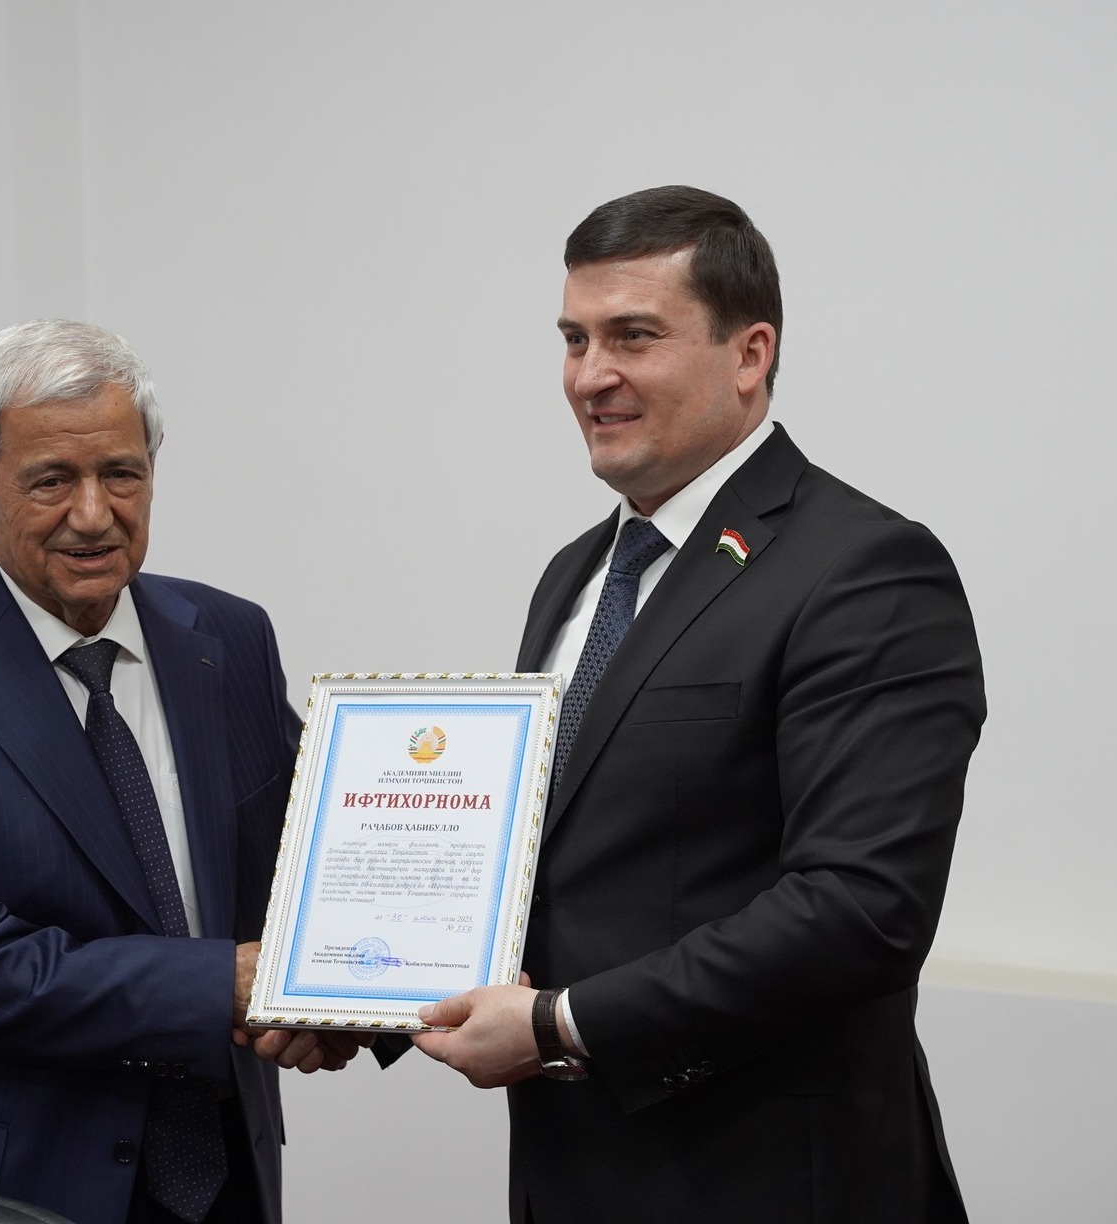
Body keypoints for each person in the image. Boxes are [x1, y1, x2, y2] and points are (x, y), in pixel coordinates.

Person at [412, 187, 985, 1223]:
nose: (591, 375)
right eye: (575, 339)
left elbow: (862, 909)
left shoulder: (864, 569)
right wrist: (354, 991)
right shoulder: (576, 574)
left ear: (749, 354)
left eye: (634, 336)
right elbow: (560, 868)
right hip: (571, 1174)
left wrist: (559, 1024)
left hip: (769, 1182)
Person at [0, 320, 359, 1224]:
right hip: (5, 1187)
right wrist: (223, 985)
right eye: (51, 480)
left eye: (121, 473)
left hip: (224, 1167)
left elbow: (307, 860)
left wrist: (357, 994)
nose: (95, 513)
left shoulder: (227, 638)